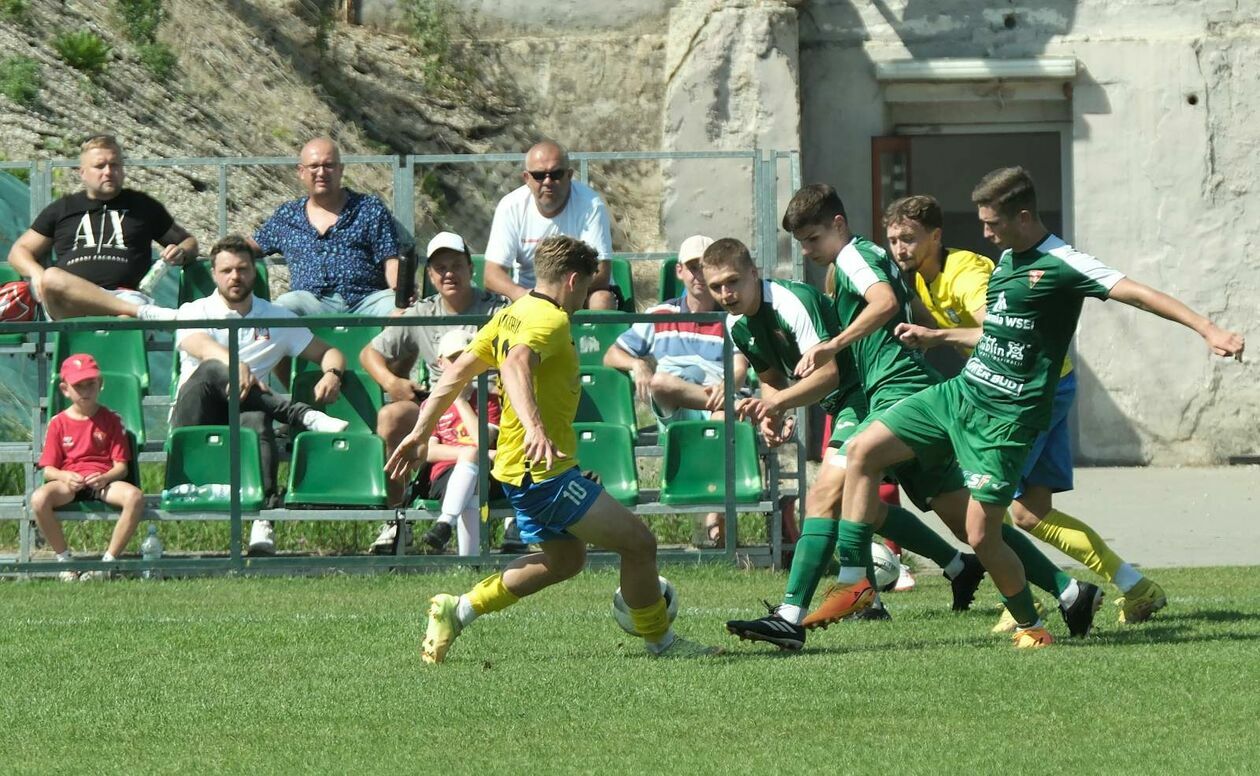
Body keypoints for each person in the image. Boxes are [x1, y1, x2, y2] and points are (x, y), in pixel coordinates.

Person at [837, 168, 1243, 648]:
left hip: (1006, 417)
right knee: (862, 450)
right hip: (960, 394)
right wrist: (937, 336)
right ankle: (852, 585)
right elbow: (1003, 332)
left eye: (992, 223)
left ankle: (1034, 623)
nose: (985, 233)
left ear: (1024, 216)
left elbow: (1138, 293)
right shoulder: (1008, 257)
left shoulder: (1063, 263)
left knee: (984, 532)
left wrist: (1207, 329)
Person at [386, 235, 718, 663]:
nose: (584, 298)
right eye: (584, 289)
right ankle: (663, 643)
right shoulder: (550, 319)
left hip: (520, 469)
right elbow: (516, 362)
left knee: (565, 560)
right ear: (574, 279)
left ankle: (458, 609)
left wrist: (421, 429)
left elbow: (457, 373)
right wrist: (535, 427)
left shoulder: (511, 313)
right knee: (639, 544)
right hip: (544, 473)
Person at [887, 194, 1168, 627]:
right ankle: (1135, 586)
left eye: (908, 238)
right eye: (893, 240)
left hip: (1032, 392)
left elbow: (996, 333)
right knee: (1031, 514)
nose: (900, 248)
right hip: (1047, 384)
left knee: (992, 509)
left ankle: (1020, 605)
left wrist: (937, 337)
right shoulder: (925, 277)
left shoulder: (966, 274)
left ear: (936, 236)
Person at [699, 237, 982, 649]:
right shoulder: (736, 323)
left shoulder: (792, 302)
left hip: (865, 396)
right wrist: (773, 416)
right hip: (849, 403)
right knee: (939, 515)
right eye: (716, 287)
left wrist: (777, 402)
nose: (726, 293)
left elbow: (829, 374)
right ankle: (963, 569)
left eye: (732, 282)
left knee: (827, 496)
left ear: (754, 273)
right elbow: (772, 379)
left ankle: (794, 614)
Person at [172, 235, 350, 555]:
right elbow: (198, 346)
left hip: (243, 410)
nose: (235, 277)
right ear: (214, 274)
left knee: (257, 417)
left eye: (242, 269)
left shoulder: (275, 318)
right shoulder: (194, 310)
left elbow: (330, 351)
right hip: (195, 414)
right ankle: (301, 415)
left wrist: (332, 374)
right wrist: (235, 363)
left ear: (254, 272)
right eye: (226, 270)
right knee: (213, 367)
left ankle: (264, 517)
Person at [359, 231, 508, 551]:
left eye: (457, 265)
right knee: (391, 417)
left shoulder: (495, 311)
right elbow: (369, 354)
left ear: (471, 268)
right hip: (439, 401)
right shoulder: (421, 314)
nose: (449, 273)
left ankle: (515, 519)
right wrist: (391, 383)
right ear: (430, 275)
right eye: (441, 268)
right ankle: (397, 518)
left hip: (491, 397)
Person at [602, 234, 749, 546]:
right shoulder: (659, 315)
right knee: (661, 382)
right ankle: (712, 524)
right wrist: (636, 364)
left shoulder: (733, 318)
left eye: (704, 267)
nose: (699, 275)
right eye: (692, 267)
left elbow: (739, 367)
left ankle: (713, 522)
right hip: (677, 404)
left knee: (722, 416)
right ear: (679, 271)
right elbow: (611, 354)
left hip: (719, 393)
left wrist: (729, 384)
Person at [6, 134, 196, 320]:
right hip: (71, 302)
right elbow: (19, 251)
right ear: (82, 173)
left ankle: (133, 313)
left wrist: (181, 251)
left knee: (126, 323)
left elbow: (189, 242)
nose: (108, 172)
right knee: (51, 278)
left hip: (125, 295)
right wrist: (36, 273)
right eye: (99, 166)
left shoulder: (143, 206)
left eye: (114, 165)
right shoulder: (63, 208)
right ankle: (140, 312)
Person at [251, 137, 402, 317]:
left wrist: (400, 288)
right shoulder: (287, 216)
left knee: (401, 311)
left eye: (329, 165)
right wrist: (220, 255)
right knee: (280, 310)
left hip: (367, 300)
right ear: (301, 171)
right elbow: (250, 246)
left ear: (340, 170)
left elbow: (391, 259)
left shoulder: (369, 208)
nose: (321, 172)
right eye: (314, 166)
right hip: (310, 302)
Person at [31, 354, 145, 581]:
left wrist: (104, 477)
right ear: (65, 389)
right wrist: (65, 476)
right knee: (38, 499)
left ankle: (107, 563)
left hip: (103, 482)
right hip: (69, 484)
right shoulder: (58, 423)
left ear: (100, 385)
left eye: (90, 384)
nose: (85, 391)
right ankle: (65, 561)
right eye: (78, 386)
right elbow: (48, 470)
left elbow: (121, 467)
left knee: (135, 497)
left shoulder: (112, 420)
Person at [483, 140, 618, 310]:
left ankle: (593, 338)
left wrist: (554, 299)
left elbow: (601, 273)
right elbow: (491, 274)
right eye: (539, 175)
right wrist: (522, 295)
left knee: (601, 300)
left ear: (569, 175)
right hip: (527, 296)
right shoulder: (510, 206)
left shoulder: (591, 205)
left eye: (556, 174)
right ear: (527, 178)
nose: (547, 181)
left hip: (578, 292)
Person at [411, 330, 502, 555]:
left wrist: (461, 402)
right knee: (471, 467)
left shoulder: (489, 402)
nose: (462, 366)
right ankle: (467, 557)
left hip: (485, 474)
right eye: (455, 359)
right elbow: (429, 451)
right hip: (443, 475)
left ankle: (445, 524)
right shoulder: (433, 404)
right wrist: (470, 455)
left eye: (468, 359)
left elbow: (483, 441)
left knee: (474, 475)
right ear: (440, 362)